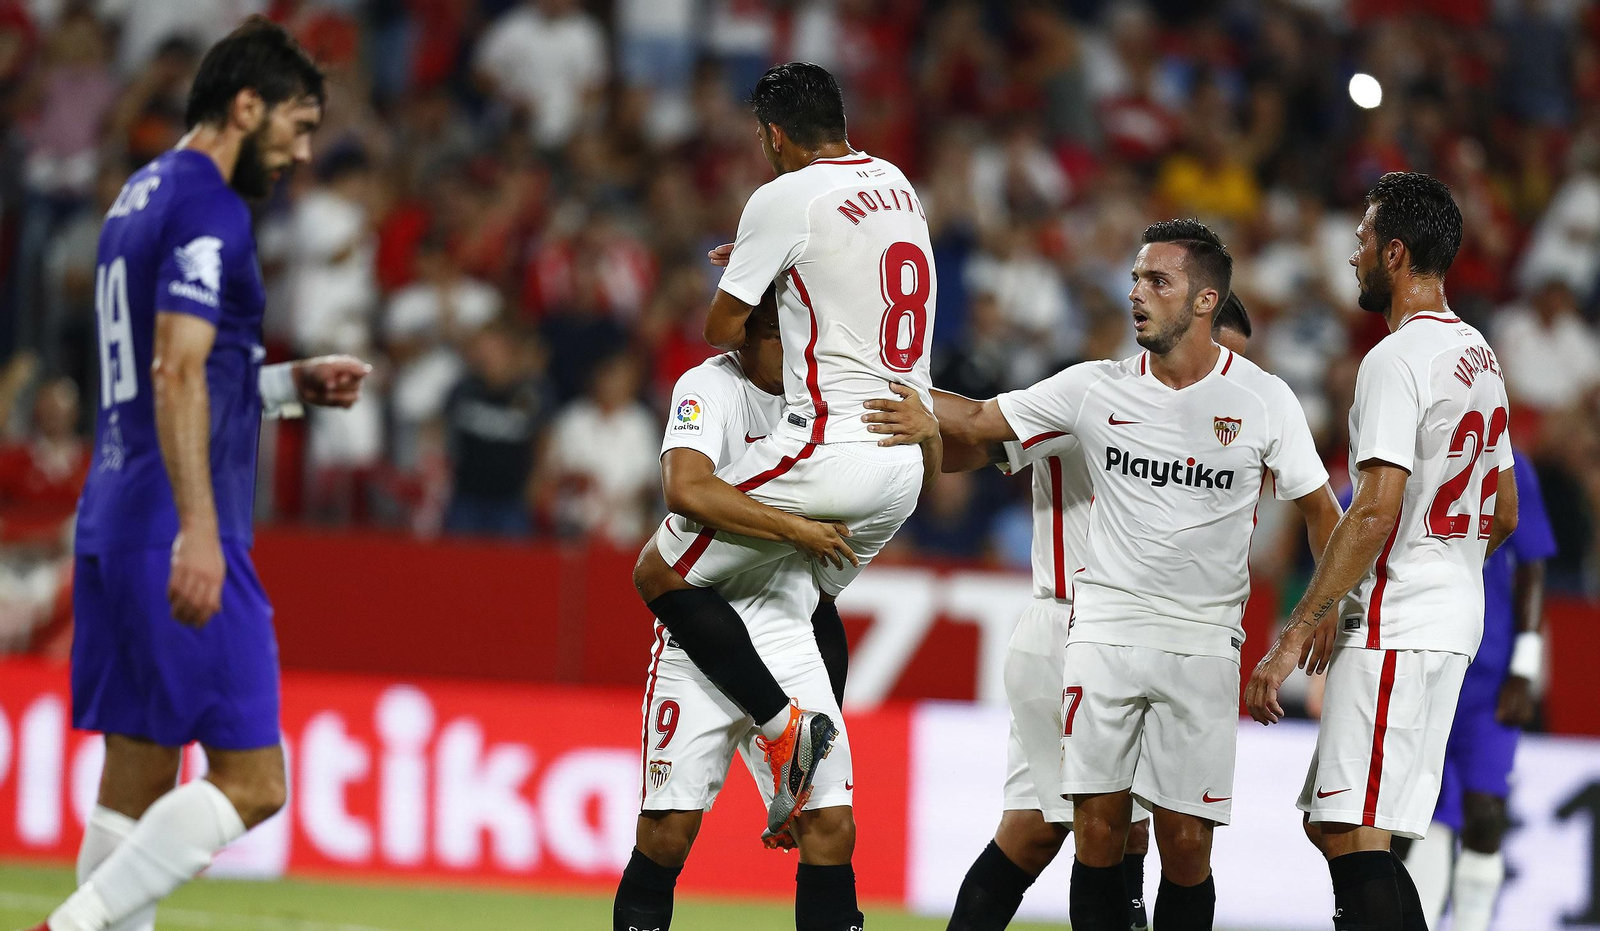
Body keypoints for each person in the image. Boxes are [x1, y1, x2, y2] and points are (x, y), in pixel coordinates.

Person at [873, 220, 1341, 931]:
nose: (1136, 295)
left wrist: (1309, 616)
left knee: (1149, 836)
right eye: (1135, 281)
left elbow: (1316, 509)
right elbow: (970, 437)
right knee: (1059, 829)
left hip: (1193, 638)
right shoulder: (1087, 396)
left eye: (1156, 281)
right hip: (1075, 621)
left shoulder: (1257, 400)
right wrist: (883, 398)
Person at [28, 20, 372, 931]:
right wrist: (202, 530)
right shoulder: (209, 207)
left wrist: (285, 388)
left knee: (135, 779)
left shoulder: (135, 197)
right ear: (244, 106)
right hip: (173, 523)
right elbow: (175, 372)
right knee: (255, 781)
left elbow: (173, 374)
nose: (303, 153)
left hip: (112, 515)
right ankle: (67, 926)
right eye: (296, 127)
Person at [630, 61, 936, 843]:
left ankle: (781, 731)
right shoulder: (897, 184)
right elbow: (852, 270)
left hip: (832, 444)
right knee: (805, 594)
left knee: (660, 567)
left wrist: (752, 266)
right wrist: (780, 258)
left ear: (772, 136)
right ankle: (810, 784)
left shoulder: (781, 195)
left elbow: (721, 328)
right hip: (904, 460)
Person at [1246, 172, 1519, 931]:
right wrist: (1449, 563)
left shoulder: (1395, 360)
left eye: (1362, 240)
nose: (1352, 256)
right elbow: (1503, 511)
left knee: (1346, 827)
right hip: (1450, 617)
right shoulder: (1480, 356)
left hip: (1399, 619)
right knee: (1360, 830)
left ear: (1395, 253)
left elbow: (1373, 513)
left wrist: (1299, 625)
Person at [615, 292, 877, 931]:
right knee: (668, 833)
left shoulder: (826, 396)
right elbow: (686, 489)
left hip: (790, 619)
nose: (792, 346)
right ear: (750, 336)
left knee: (831, 824)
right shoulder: (709, 386)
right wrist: (793, 528)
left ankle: (794, 743)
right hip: (704, 629)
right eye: (776, 333)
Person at [1396, 450, 1553, 930]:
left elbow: (1532, 565)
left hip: (1487, 676)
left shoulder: (1509, 463)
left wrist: (1524, 669)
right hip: (1417, 668)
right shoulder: (1400, 451)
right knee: (1425, 817)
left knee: (1484, 812)